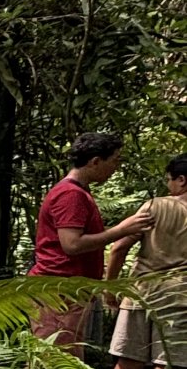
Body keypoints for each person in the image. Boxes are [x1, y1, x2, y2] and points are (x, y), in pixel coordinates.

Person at [28, 132, 149, 351]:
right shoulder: (70, 195)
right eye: (114, 161)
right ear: (95, 161)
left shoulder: (77, 192)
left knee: (62, 361)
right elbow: (72, 244)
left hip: (67, 291)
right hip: (60, 291)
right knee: (57, 363)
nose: (116, 168)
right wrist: (123, 229)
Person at [105, 154, 187, 369]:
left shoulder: (154, 206)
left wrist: (110, 287)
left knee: (129, 358)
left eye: (169, 180)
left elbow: (119, 247)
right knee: (168, 363)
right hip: (180, 297)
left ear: (181, 180)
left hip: (139, 292)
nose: (168, 186)